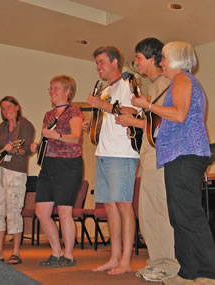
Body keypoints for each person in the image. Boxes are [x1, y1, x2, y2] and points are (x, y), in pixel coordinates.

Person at [132, 41, 215, 285]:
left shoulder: (182, 79)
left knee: (187, 214)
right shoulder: (181, 81)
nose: (162, 62)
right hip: (180, 155)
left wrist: (147, 105)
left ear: (177, 59)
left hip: (185, 154)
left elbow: (179, 114)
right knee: (179, 216)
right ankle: (189, 271)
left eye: (166, 58)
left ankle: (209, 272)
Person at [115, 38, 180, 282]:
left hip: (161, 156)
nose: (136, 63)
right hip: (150, 155)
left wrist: (135, 122)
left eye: (139, 58)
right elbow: (152, 121)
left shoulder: (167, 85)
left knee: (158, 212)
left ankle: (168, 265)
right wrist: (132, 113)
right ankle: (157, 261)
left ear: (153, 58)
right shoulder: (153, 87)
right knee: (149, 212)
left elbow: (167, 125)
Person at [86, 46, 139, 274]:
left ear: (115, 62)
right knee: (109, 206)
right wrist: (94, 123)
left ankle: (126, 260)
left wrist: (103, 106)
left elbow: (133, 111)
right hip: (104, 152)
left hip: (122, 153)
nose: (99, 67)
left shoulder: (129, 83)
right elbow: (108, 116)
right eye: (97, 63)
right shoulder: (107, 89)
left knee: (124, 206)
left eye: (102, 62)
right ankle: (114, 256)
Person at [32, 75, 84, 267]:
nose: (51, 92)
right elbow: (48, 143)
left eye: (56, 89)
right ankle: (56, 252)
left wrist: (57, 135)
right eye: (50, 88)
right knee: (41, 212)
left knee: (64, 212)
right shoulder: (48, 115)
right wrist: (36, 147)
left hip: (68, 166)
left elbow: (75, 138)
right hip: (48, 166)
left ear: (67, 91)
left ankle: (69, 256)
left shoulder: (74, 111)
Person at [0, 96, 35, 265]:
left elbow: (27, 151)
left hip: (16, 172)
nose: (6, 110)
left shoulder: (26, 126)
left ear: (17, 107)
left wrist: (13, 150)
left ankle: (16, 251)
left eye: (9, 107)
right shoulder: (1, 127)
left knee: (14, 210)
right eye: (3, 108)